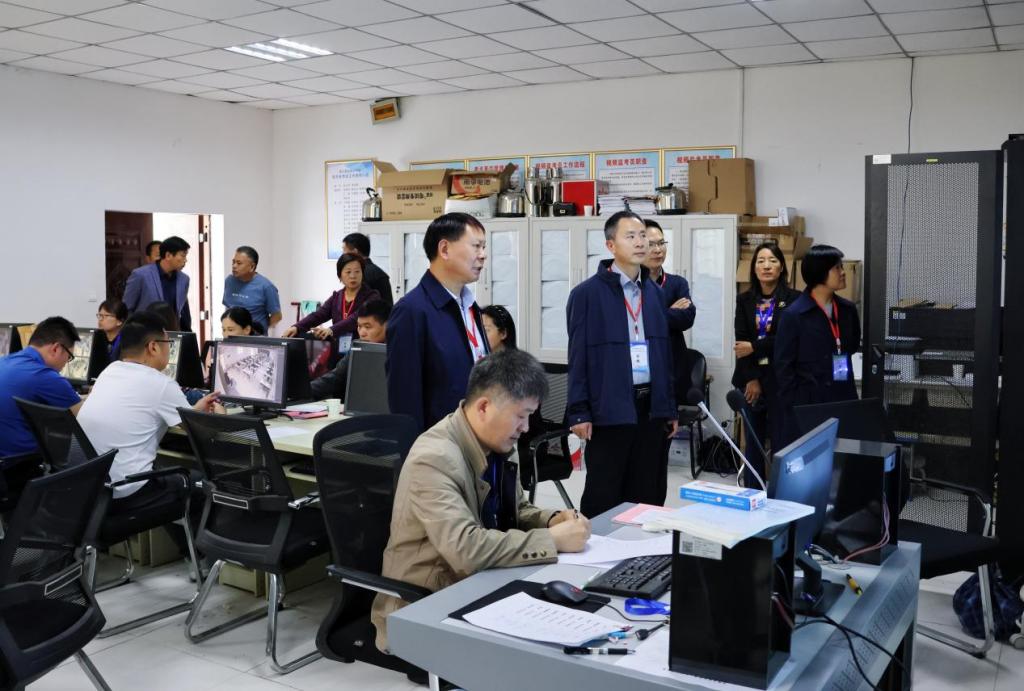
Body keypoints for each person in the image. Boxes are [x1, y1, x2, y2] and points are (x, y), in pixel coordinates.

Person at [371, 349, 591, 652]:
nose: (526, 428)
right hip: (426, 604)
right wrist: (552, 539)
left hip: (479, 583)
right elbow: (466, 549)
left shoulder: (497, 445)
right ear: (485, 406)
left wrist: (552, 520)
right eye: (521, 416)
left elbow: (516, 510)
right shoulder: (434, 458)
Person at [77, 312, 220, 554]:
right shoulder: (160, 383)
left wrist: (194, 410)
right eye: (168, 344)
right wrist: (220, 416)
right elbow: (203, 433)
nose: (169, 350)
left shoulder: (110, 371)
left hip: (93, 491)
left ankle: (189, 555)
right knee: (202, 484)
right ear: (153, 347)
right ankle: (203, 559)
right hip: (127, 493)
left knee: (168, 471)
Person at [566, 211, 678, 518]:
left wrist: (668, 406)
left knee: (648, 493)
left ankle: (643, 547)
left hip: (650, 408)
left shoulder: (655, 293)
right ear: (611, 245)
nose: (641, 242)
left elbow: (664, 354)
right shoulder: (586, 295)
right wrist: (579, 410)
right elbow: (578, 357)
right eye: (631, 236)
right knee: (605, 493)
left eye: (643, 235)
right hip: (609, 407)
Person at [386, 213, 490, 433]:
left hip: (475, 436)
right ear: (444, 249)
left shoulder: (469, 305)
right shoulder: (412, 311)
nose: (483, 255)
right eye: (476, 246)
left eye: (484, 247)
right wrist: (416, 449)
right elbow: (404, 398)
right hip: (439, 443)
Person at [774, 245, 860, 448]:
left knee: (842, 457)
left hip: (842, 397)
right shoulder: (794, 315)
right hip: (807, 404)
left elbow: (852, 346)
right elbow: (783, 366)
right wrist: (795, 402)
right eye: (837, 268)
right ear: (819, 272)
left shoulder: (848, 310)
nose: (843, 272)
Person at [731, 243, 801, 483]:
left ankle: (783, 492)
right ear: (754, 268)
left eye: (772, 260)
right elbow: (740, 342)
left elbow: (788, 339)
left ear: (781, 267)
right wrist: (752, 379)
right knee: (754, 443)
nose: (766, 266)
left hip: (782, 381)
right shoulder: (744, 300)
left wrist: (755, 346)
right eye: (760, 261)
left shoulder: (794, 300)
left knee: (783, 441)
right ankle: (753, 491)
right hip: (752, 380)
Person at [0, 316, 83, 457]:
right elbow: (84, 416)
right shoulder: (46, 376)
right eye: (69, 357)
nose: (66, 363)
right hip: (20, 464)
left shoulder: (5, 361)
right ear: (56, 349)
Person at [283, 253, 380, 356]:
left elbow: (355, 318)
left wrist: (331, 330)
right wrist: (297, 327)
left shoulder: (372, 296)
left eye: (357, 271)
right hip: (337, 350)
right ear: (340, 275)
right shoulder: (336, 297)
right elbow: (319, 315)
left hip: (361, 350)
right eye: (348, 272)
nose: (353, 276)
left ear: (362, 274)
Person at [643, 219, 696, 405]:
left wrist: (652, 316)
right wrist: (669, 312)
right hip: (641, 368)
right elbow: (635, 321)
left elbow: (687, 318)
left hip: (673, 365)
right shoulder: (631, 285)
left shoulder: (677, 283)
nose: (658, 250)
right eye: (651, 244)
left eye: (661, 243)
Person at [310, 299, 390, 401]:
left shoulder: (399, 350)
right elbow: (335, 378)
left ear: (387, 325)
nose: (362, 333)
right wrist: (303, 391)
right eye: (359, 326)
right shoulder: (357, 347)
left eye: (367, 327)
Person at [123, 236, 192, 331]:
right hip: (144, 334)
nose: (185, 260)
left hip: (171, 334)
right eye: (183, 255)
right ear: (168, 255)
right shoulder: (140, 275)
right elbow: (126, 308)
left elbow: (182, 312)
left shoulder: (184, 279)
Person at [222, 246, 282, 334]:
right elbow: (228, 307)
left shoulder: (266, 287)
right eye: (233, 262)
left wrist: (260, 330)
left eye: (239, 263)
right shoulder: (229, 281)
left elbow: (277, 316)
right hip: (231, 337)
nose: (234, 266)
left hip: (255, 338)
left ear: (252, 266)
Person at [343, 232, 393, 308]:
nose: (343, 255)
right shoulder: (379, 272)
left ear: (355, 252)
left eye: (344, 251)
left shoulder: (359, 274)